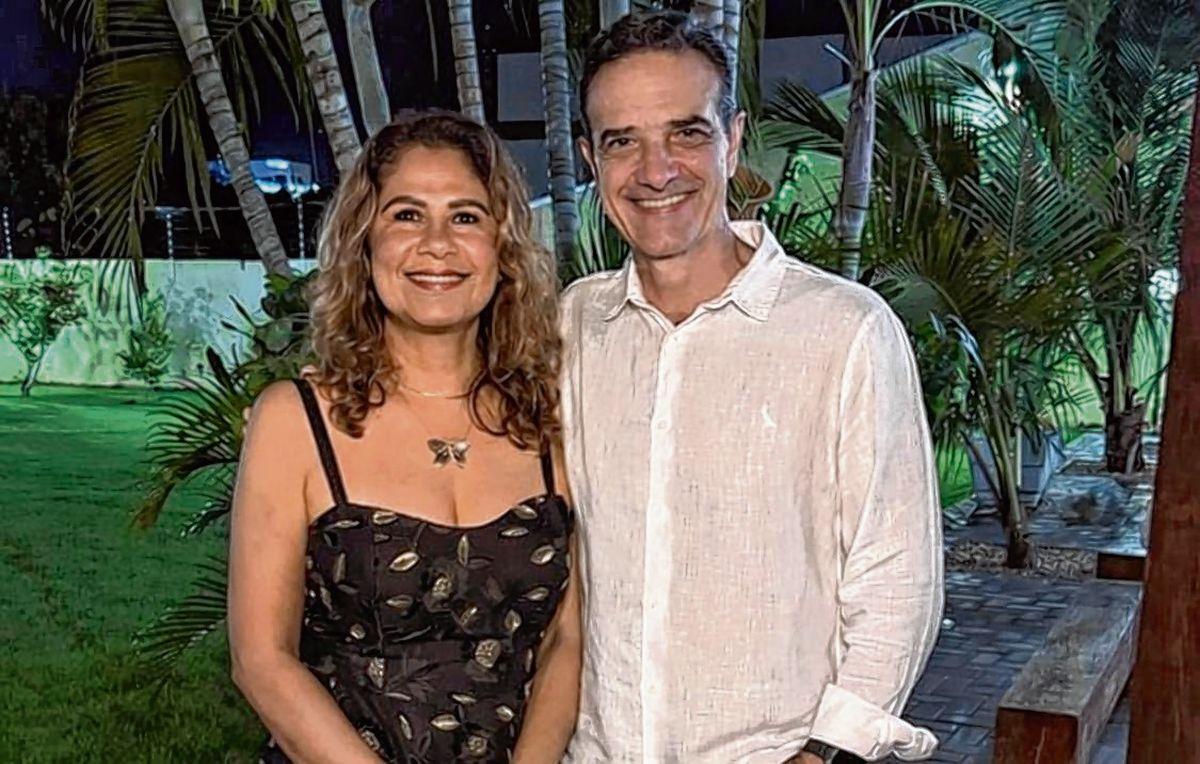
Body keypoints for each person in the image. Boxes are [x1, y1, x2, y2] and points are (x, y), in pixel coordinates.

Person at [559, 12, 943, 763]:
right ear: (590, 160)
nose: (656, 171)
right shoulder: (572, 324)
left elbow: (897, 576)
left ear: (732, 142)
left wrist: (826, 751)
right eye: (622, 141)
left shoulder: (844, 329)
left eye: (686, 133)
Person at [228, 110, 581, 764]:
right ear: (365, 243)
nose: (437, 244)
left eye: (466, 217)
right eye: (407, 215)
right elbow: (261, 660)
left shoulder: (550, 421)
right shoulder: (295, 421)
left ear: (503, 248)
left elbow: (568, 638)